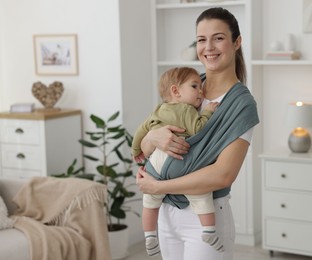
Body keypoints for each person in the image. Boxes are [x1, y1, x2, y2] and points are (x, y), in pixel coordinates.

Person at [136, 7, 259, 260]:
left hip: (206, 218)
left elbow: (223, 175)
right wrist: (151, 138)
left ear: (237, 42)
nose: (208, 47)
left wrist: (157, 186)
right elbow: (147, 147)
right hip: (167, 213)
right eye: (202, 39)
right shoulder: (185, 87)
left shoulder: (241, 104)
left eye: (219, 38)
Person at [131, 67, 221, 257]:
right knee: (200, 194)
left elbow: (141, 131)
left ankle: (149, 235)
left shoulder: (157, 110)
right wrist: (208, 112)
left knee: (149, 201)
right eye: (195, 86)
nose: (200, 91)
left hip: (155, 166)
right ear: (176, 91)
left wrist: (136, 150)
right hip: (181, 164)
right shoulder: (186, 110)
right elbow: (198, 128)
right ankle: (209, 230)